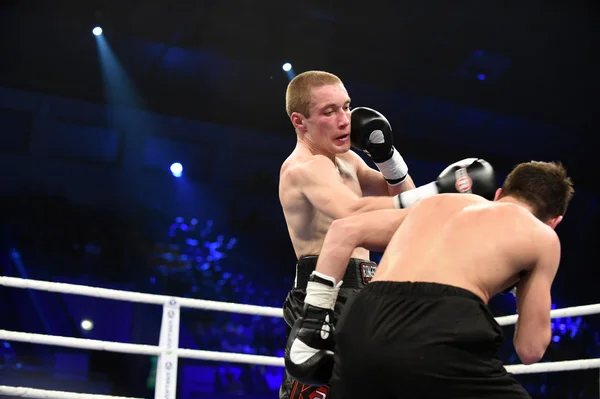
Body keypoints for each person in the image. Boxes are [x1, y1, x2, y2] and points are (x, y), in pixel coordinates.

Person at [278, 70, 496, 398]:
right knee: (316, 392)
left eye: (347, 107)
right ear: (299, 121)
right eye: (329, 111)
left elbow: (403, 201)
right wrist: (438, 190)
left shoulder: (347, 159)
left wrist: (387, 155)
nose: (344, 120)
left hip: (369, 290)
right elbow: (352, 216)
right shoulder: (304, 168)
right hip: (326, 293)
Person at [288, 160, 574, 398]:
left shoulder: (439, 202)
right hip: (439, 326)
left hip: (360, 321)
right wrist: (523, 285)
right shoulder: (543, 237)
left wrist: (313, 318)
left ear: (499, 194)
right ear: (555, 222)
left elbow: (343, 230)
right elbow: (530, 349)